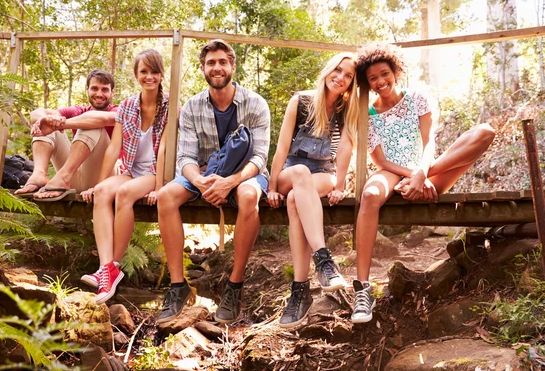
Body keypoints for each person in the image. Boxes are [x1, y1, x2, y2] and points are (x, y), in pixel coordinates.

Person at [352, 43, 496, 324]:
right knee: (370, 195)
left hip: (427, 170)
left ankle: (422, 179)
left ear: (396, 71)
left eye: (384, 73)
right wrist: (409, 176)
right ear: (367, 83)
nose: (380, 81)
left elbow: (429, 142)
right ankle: (362, 290)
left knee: (485, 132)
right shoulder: (367, 114)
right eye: (373, 78)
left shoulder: (418, 98)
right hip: (393, 173)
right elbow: (381, 162)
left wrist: (421, 174)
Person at [156, 39, 270, 324]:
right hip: (203, 175)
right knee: (165, 196)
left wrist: (228, 182)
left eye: (222, 62)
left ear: (232, 65)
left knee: (247, 196)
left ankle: (234, 286)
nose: (216, 68)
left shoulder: (255, 103)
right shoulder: (193, 106)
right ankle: (178, 286)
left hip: (245, 175)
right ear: (203, 68)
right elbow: (185, 157)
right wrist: (203, 182)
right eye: (211, 63)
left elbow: (259, 158)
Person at [267, 53, 358, 328]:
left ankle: (300, 292)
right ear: (329, 70)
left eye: (348, 75)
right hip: (291, 171)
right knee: (298, 178)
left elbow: (344, 148)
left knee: (296, 198)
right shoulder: (302, 101)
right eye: (338, 70)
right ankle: (324, 262)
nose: (340, 77)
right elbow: (282, 148)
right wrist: (271, 187)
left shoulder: (346, 109)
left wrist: (340, 184)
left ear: (352, 83)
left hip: (323, 174)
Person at [78, 50, 171, 304]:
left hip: (155, 172)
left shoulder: (171, 106)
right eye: (143, 72)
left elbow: (164, 148)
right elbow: (112, 147)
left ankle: (112, 268)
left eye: (154, 72)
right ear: (136, 75)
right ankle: (105, 267)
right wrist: (99, 183)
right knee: (103, 193)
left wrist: (159, 187)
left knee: (124, 193)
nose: (149, 77)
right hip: (131, 169)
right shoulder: (128, 106)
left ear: (162, 74)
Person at [14, 70, 118, 201]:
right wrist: (45, 120)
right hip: (73, 179)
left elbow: (99, 119)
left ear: (112, 93)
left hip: (104, 179)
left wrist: (61, 124)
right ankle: (39, 174)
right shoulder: (79, 110)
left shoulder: (118, 111)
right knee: (46, 123)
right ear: (87, 90)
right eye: (94, 88)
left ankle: (63, 177)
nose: (99, 94)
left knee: (92, 122)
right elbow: (36, 113)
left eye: (104, 90)